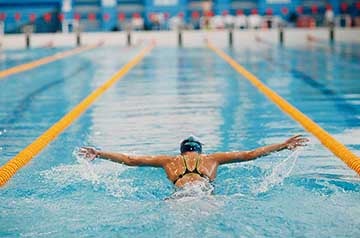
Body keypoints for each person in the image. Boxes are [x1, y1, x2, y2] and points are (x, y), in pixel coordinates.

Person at [78, 135, 308, 188]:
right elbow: (251, 154)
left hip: (178, 195)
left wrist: (99, 153)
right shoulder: (211, 159)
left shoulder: (169, 161)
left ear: (182, 151)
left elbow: (130, 160)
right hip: (203, 191)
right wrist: (283, 145)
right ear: (199, 151)